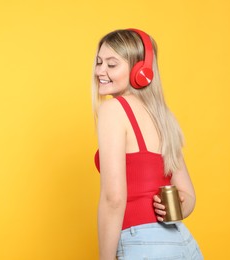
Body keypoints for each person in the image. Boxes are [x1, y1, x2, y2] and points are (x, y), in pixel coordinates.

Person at [92, 29, 203, 260]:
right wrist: (179, 206)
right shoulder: (162, 117)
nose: (100, 71)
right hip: (182, 244)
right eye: (99, 62)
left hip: (143, 245)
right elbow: (188, 195)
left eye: (112, 65)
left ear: (140, 71)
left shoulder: (113, 110)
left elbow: (114, 198)